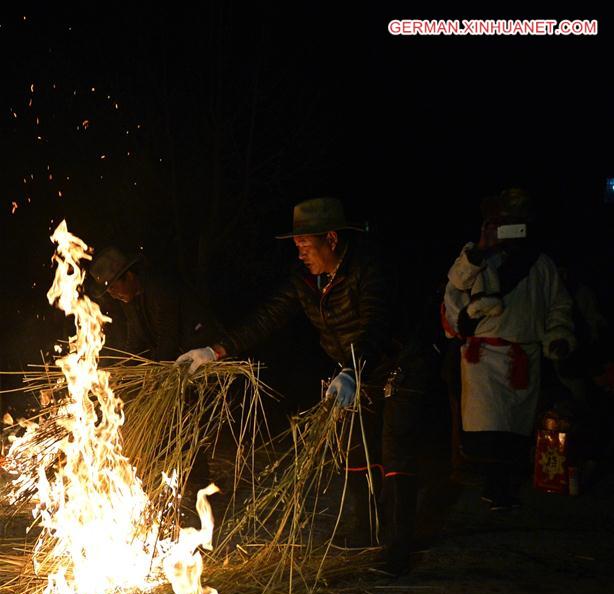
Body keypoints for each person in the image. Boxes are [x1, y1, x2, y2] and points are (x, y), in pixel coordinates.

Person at [178, 197, 427, 574]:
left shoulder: (369, 269)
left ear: (331, 239)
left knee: (395, 450)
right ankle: (364, 531)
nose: (300, 254)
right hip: (358, 370)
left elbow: (376, 324)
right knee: (357, 448)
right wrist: (215, 350)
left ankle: (398, 547)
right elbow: (268, 318)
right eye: (296, 246)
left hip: (401, 366)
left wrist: (354, 369)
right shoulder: (307, 281)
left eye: (305, 245)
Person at [442, 189, 576, 509]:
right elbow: (454, 290)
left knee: (514, 424)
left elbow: (559, 306)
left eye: (516, 222)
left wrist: (558, 335)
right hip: (483, 357)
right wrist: (479, 251)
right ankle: (486, 479)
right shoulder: (475, 259)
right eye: (503, 222)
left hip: (523, 356)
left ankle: (503, 485)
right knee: (485, 423)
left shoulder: (542, 264)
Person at [88, 246, 182, 361]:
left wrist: (156, 370)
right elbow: (135, 340)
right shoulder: (130, 301)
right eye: (109, 292)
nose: (113, 295)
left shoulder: (159, 289)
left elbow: (168, 337)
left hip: (195, 355)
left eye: (113, 287)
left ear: (129, 276)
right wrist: (123, 369)